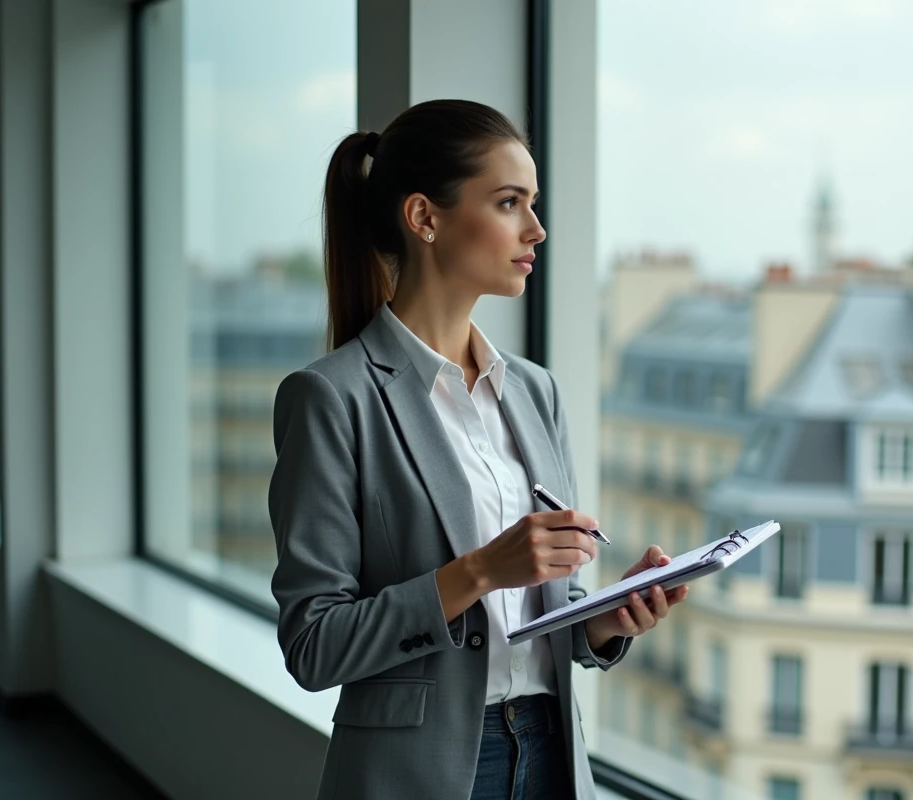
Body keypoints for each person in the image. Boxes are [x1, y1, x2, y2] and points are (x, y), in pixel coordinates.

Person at [268, 99, 689, 800]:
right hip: (421, 773)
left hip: (553, 754)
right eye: (509, 202)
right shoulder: (330, 398)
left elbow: (545, 612)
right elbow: (313, 645)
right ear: (424, 218)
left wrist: (605, 620)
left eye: (534, 203)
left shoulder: (534, 391)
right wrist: (481, 570)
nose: (536, 228)